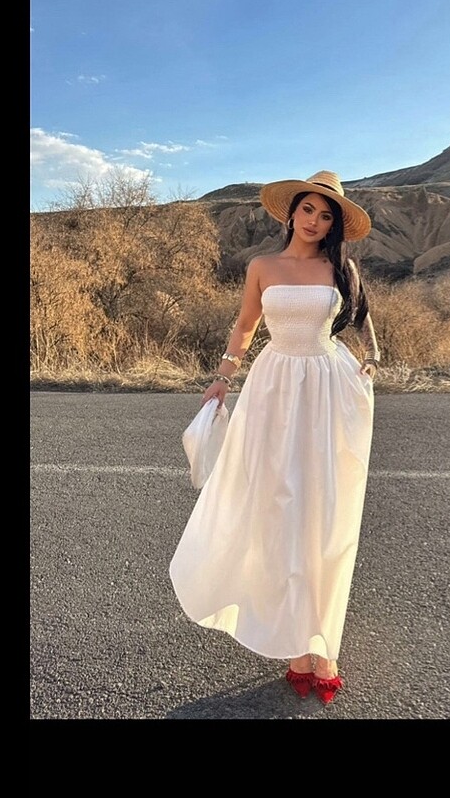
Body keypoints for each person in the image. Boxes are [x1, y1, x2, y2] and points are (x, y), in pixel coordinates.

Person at [169, 170, 380, 705]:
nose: (315, 221)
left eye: (326, 215)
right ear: (292, 212)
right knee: (278, 508)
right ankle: (293, 641)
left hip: (329, 386)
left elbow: (362, 320)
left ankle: (322, 644)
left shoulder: (341, 269)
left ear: (333, 225)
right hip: (274, 386)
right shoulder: (262, 266)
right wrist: (223, 375)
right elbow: (244, 326)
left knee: (326, 510)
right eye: (308, 209)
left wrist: (372, 358)